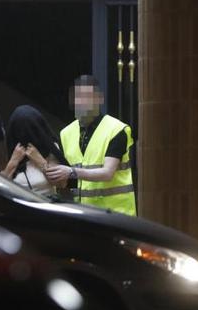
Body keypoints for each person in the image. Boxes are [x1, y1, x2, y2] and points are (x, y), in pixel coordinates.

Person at [45, 75, 136, 215]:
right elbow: (64, 179)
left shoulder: (116, 129)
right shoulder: (66, 133)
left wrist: (71, 172)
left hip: (117, 214)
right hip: (84, 215)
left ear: (99, 99)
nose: (83, 102)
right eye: (78, 97)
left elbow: (107, 173)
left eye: (88, 96)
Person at [1, 105, 68, 197]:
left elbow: (62, 184)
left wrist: (40, 161)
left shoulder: (49, 147)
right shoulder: (9, 149)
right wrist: (13, 162)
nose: (26, 134)